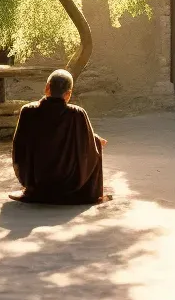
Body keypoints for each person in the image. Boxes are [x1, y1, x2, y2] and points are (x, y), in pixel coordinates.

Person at [9, 69, 110, 204]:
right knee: (95, 144)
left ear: (47, 88)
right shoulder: (77, 113)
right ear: (68, 94)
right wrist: (96, 140)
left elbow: (18, 147)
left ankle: (35, 189)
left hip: (37, 182)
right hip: (69, 183)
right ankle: (88, 192)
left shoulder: (28, 111)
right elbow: (88, 146)